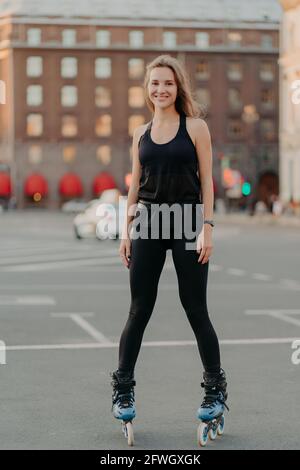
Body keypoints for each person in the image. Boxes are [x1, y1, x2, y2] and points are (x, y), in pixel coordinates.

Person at [110, 55, 228, 425]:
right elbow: (135, 182)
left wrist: (207, 226)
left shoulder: (195, 128)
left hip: (187, 221)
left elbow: (207, 180)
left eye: (168, 83)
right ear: (147, 89)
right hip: (147, 221)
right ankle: (123, 386)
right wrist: (126, 228)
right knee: (138, 309)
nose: (161, 89)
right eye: (155, 83)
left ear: (178, 88)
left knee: (195, 309)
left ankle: (215, 388)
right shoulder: (139, 133)